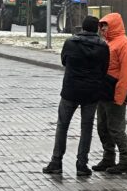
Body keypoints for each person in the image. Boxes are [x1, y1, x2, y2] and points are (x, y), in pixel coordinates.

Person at [42, 16, 109, 176]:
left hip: (70, 91)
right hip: (91, 93)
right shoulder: (103, 47)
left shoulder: (70, 43)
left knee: (62, 126)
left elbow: (64, 61)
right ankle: (82, 164)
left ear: (83, 27)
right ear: (96, 29)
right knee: (86, 129)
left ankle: (56, 162)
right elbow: (104, 70)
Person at [93, 13, 127, 174]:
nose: (103, 30)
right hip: (104, 92)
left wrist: (120, 95)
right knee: (102, 127)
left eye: (105, 27)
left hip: (115, 92)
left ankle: (126, 160)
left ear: (113, 26)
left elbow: (126, 73)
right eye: (102, 27)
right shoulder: (108, 43)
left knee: (116, 128)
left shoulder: (125, 44)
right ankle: (108, 157)